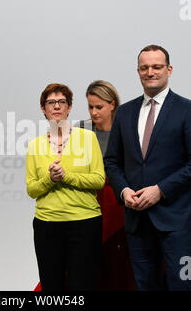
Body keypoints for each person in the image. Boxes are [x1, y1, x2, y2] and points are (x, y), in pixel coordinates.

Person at [104, 45, 191, 291]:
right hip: (136, 220)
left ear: (169, 69)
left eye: (157, 66)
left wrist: (160, 190)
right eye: (144, 67)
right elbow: (111, 161)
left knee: (183, 286)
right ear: (138, 71)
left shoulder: (189, 110)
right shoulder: (124, 113)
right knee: (145, 286)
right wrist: (123, 191)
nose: (150, 72)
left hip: (177, 221)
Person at [26, 83, 105, 291]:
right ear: (43, 108)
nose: (57, 106)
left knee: (83, 285)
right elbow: (32, 189)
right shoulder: (35, 145)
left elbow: (99, 180)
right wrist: (50, 180)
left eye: (62, 101)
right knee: (51, 287)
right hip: (47, 224)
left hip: (85, 223)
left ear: (69, 107)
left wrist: (66, 177)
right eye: (51, 102)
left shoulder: (88, 138)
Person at [78, 81, 136, 290]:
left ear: (112, 104)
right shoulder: (81, 130)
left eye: (99, 107)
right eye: (90, 107)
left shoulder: (128, 129)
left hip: (119, 203)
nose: (94, 112)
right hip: (88, 202)